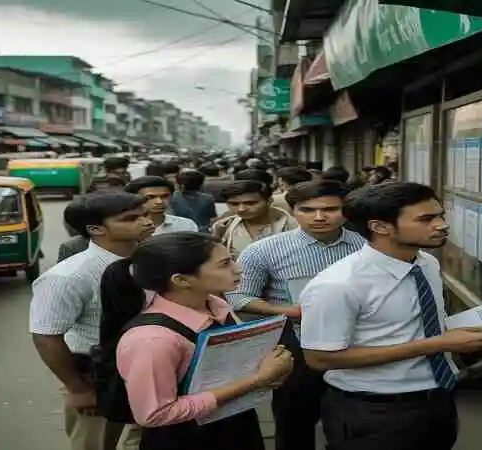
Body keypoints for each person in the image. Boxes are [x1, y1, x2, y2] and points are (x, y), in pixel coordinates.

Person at [299, 182, 482, 450]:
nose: (441, 225)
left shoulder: (426, 263)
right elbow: (319, 358)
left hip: (437, 399)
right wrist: (439, 344)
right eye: (426, 219)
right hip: (375, 411)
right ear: (380, 227)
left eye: (440, 215)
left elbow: (417, 325)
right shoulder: (338, 284)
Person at [99, 232, 294, 450]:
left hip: (236, 426)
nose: (238, 269)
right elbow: (155, 414)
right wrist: (256, 380)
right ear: (181, 280)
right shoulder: (152, 339)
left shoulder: (216, 304)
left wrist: (272, 368)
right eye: (224, 264)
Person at [226, 180, 365, 450]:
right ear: (293, 211)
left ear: (345, 211)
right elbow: (238, 297)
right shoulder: (264, 250)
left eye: (330, 209)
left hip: (357, 343)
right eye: (307, 209)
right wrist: (288, 311)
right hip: (295, 346)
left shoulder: (366, 246)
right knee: (294, 424)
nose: (319, 217)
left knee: (352, 422)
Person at [29, 192, 154, 450]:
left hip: (152, 367)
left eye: (144, 214)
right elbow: (46, 336)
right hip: (99, 375)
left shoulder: (152, 261)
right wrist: (78, 388)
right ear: (96, 229)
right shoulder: (68, 276)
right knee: (97, 443)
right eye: (131, 218)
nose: (146, 222)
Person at [214, 181, 298, 258]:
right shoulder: (225, 226)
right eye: (234, 204)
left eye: (250, 203)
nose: (241, 209)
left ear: (269, 201)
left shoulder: (293, 226)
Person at [125, 176, 198, 235]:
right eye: (150, 197)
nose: (159, 202)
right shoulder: (124, 227)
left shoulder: (185, 225)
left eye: (165, 196)